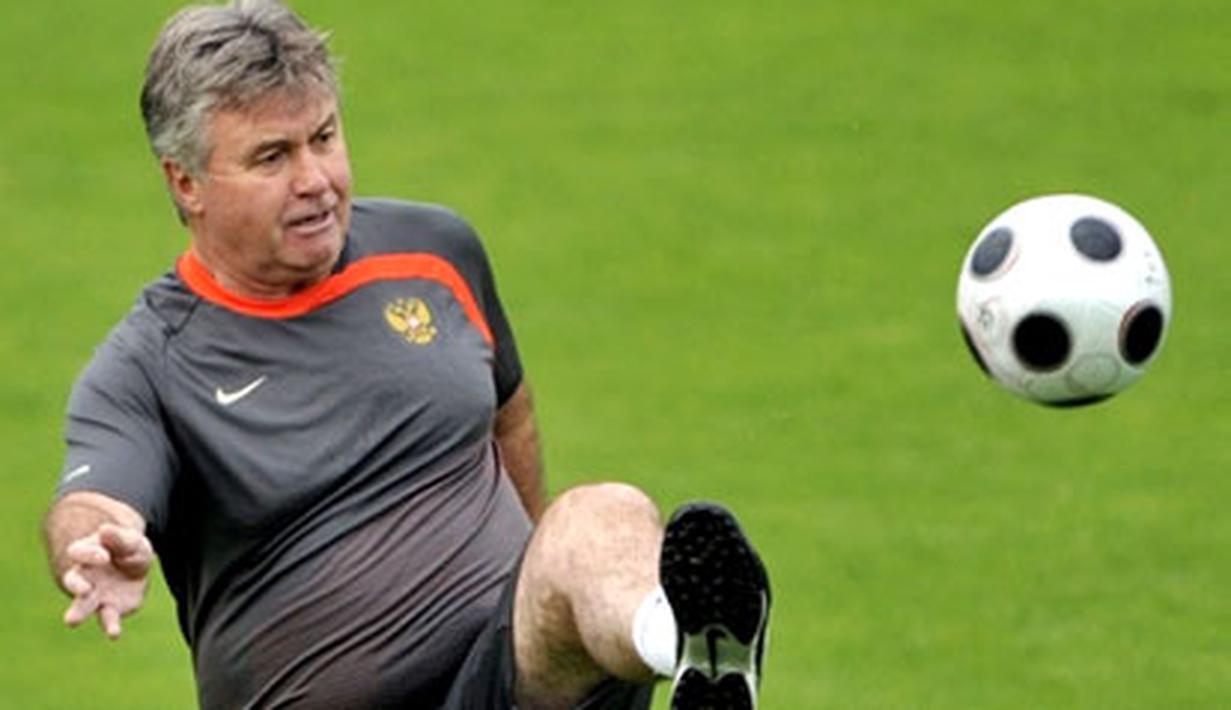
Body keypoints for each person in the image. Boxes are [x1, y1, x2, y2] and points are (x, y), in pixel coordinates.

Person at [42, 1, 772, 708]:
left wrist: (537, 592)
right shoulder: (149, 366)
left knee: (600, 516)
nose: (315, 180)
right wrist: (95, 545)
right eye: (272, 157)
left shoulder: (435, 252)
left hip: (505, 680)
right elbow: (93, 501)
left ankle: (693, 652)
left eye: (324, 137)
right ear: (186, 181)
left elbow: (510, 416)